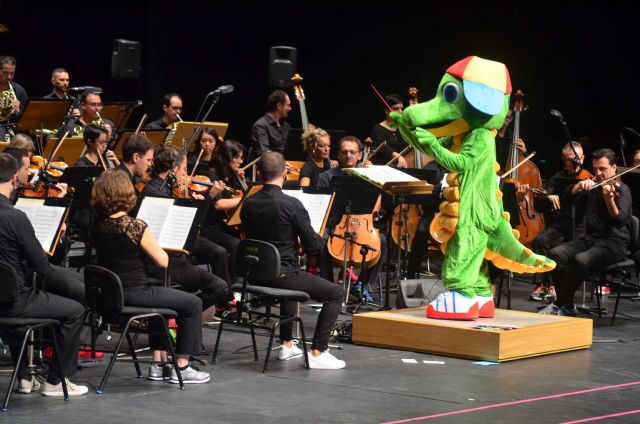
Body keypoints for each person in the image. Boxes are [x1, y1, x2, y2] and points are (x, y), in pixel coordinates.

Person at [91, 169, 210, 383]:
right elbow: (162, 261)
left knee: (161, 299)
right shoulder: (135, 226)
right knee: (193, 304)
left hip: (112, 294)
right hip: (135, 293)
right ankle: (182, 367)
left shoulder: (98, 225)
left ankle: (159, 363)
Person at [241, 151, 346, 369]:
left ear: (259, 173)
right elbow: (313, 247)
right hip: (281, 275)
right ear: (285, 174)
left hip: (254, 275)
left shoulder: (248, 203)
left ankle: (287, 344)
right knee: (335, 294)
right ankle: (318, 351)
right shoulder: (292, 205)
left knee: (290, 280)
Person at [0, 152, 88, 396]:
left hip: (5, 299)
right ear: (15, 177)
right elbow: (42, 268)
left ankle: (25, 378)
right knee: (74, 310)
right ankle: (55, 381)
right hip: (15, 301)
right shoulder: (16, 217)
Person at [139, 145, 232, 322]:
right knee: (220, 288)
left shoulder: (156, 188)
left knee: (217, 254)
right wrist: (208, 199)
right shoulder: (160, 194)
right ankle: (183, 314)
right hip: (167, 261)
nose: (185, 175)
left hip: (167, 258)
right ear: (173, 170)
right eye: (183, 169)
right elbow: (186, 233)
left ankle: (184, 312)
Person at [539, 148, 632, 316]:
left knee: (580, 261)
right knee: (554, 255)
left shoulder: (622, 189)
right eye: (595, 168)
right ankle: (567, 305)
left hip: (613, 244)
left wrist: (609, 200)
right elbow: (568, 201)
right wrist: (577, 187)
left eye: (603, 169)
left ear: (614, 168)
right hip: (589, 240)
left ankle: (560, 303)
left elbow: (620, 220)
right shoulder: (594, 187)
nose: (598, 173)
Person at [517, 141, 588, 301]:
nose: (574, 163)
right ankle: (543, 285)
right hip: (560, 224)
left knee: (564, 250)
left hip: (580, 227)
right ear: (564, 160)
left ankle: (558, 286)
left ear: (583, 159)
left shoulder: (588, 178)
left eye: (577, 159)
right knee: (541, 240)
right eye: (570, 159)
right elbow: (539, 202)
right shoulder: (558, 177)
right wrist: (547, 197)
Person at [201, 140, 247, 286]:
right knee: (236, 243)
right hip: (209, 227)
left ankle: (246, 282)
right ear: (227, 157)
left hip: (224, 224)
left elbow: (239, 193)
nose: (240, 161)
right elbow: (219, 204)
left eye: (242, 158)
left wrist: (241, 180)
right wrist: (246, 200)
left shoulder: (232, 174)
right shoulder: (212, 175)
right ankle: (232, 285)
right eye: (237, 157)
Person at [247, 90, 291, 163]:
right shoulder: (260, 126)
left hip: (285, 166)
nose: (290, 108)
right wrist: (282, 165)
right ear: (279, 106)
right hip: (269, 170)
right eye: (288, 105)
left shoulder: (286, 126)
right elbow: (265, 154)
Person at [370, 94, 408, 167]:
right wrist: (398, 156)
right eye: (396, 109)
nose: (400, 112)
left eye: (401, 108)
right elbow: (383, 148)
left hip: (403, 167)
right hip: (384, 168)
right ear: (387, 110)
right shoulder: (378, 129)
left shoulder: (403, 128)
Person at [0, 56, 28, 141]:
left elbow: (24, 121)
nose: (9, 77)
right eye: (5, 73)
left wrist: (17, 111)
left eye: (12, 73)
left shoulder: (19, 91)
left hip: (10, 128)